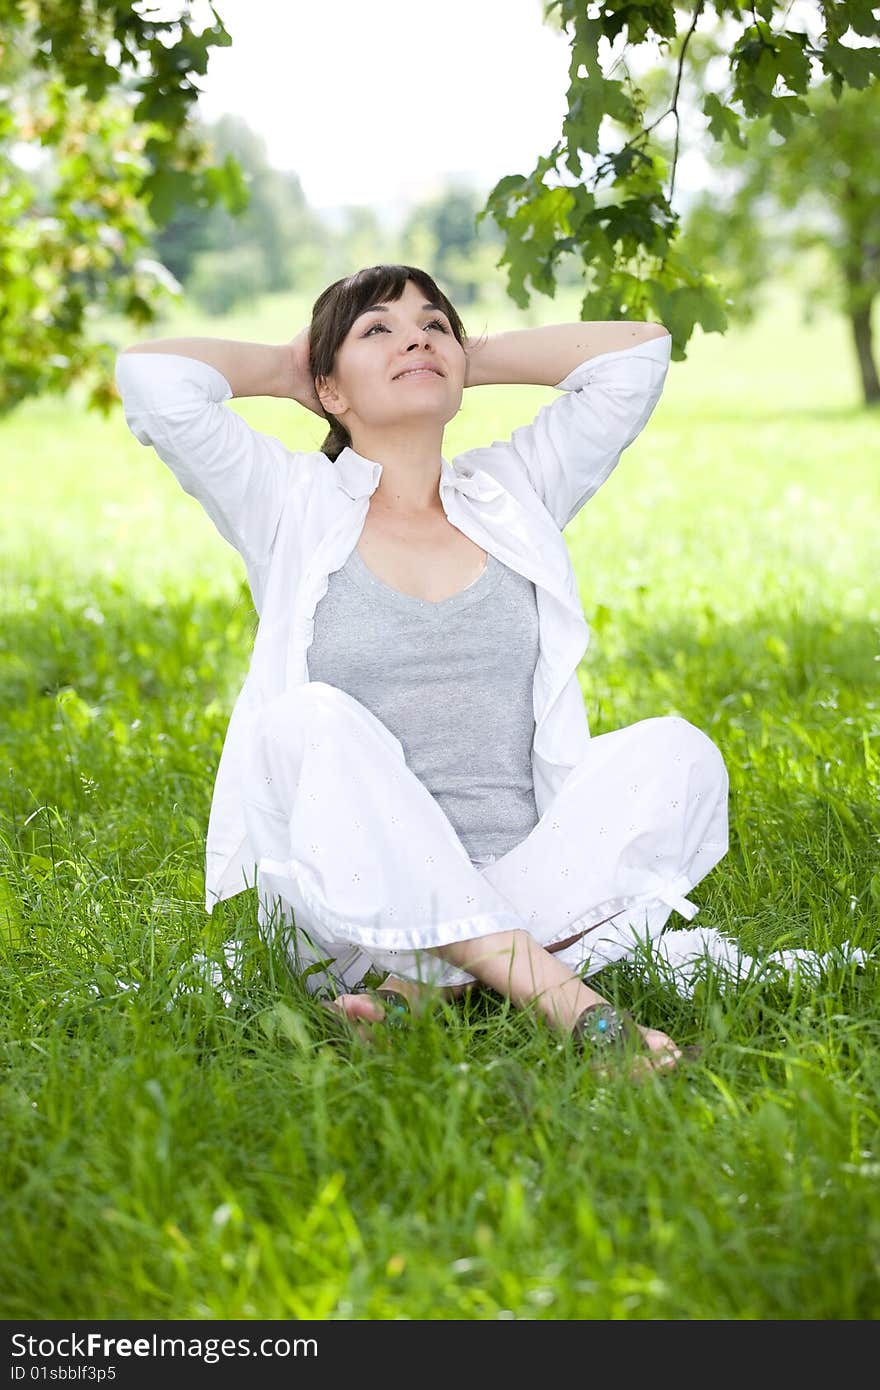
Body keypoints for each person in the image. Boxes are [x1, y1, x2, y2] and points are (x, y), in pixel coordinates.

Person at [113, 263, 734, 1077]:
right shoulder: (287, 500)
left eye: (434, 325)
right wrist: (286, 370)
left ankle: (427, 988)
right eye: (378, 329)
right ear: (330, 389)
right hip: (358, 899)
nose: (416, 335)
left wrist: (465, 354)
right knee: (311, 720)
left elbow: (636, 356)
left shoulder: (515, 488)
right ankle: (583, 1017)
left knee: (678, 752)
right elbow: (153, 380)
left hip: (526, 869)